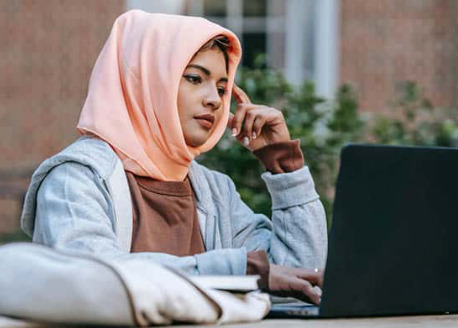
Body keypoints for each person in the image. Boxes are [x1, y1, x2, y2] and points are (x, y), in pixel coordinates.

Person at [20, 10, 327, 304]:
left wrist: (284, 164)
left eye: (222, 88)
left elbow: (300, 278)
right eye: (195, 78)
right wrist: (236, 270)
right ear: (146, 80)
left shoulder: (214, 191)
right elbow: (95, 279)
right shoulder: (76, 179)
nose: (214, 100)